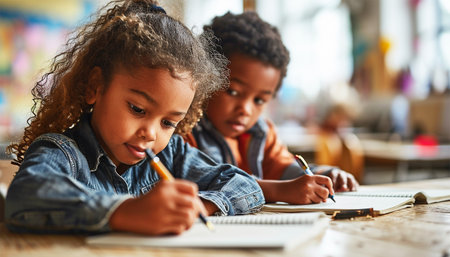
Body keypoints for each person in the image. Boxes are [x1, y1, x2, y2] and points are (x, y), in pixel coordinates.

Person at [5, 0, 264, 235]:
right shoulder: (63, 153)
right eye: (138, 110)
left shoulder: (171, 153)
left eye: (168, 123)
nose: (151, 134)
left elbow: (242, 184)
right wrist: (125, 211)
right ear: (96, 86)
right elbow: (24, 197)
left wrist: (201, 205)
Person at [183, 12, 359, 205]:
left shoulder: (261, 133)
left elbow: (282, 167)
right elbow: (203, 184)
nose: (246, 110)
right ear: (204, 79)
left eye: (259, 100)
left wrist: (321, 175)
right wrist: (280, 191)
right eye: (233, 92)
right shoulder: (185, 130)